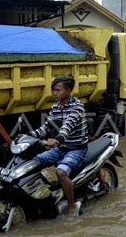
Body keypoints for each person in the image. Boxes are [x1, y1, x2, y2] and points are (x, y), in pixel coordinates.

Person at [29, 76, 89, 215]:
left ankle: (72, 205)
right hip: (60, 148)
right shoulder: (55, 107)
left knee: (60, 172)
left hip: (76, 149)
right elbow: (45, 127)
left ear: (68, 91)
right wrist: (29, 136)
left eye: (58, 90)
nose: (54, 93)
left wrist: (57, 139)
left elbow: (68, 126)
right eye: (53, 90)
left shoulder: (77, 107)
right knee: (33, 162)